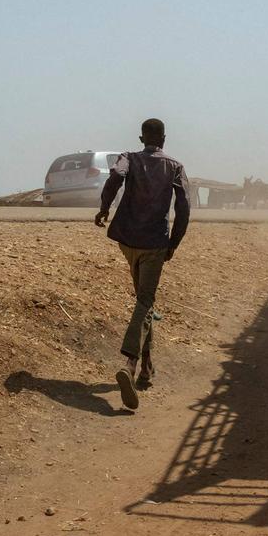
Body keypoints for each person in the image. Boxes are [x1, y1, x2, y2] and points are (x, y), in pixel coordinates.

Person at [93, 118, 190, 410]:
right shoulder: (175, 166)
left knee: (143, 303)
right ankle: (130, 364)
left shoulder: (129, 158)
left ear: (141, 137)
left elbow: (114, 179)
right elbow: (183, 207)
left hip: (127, 241)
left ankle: (147, 367)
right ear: (164, 138)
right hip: (154, 243)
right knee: (146, 302)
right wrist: (174, 242)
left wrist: (103, 209)